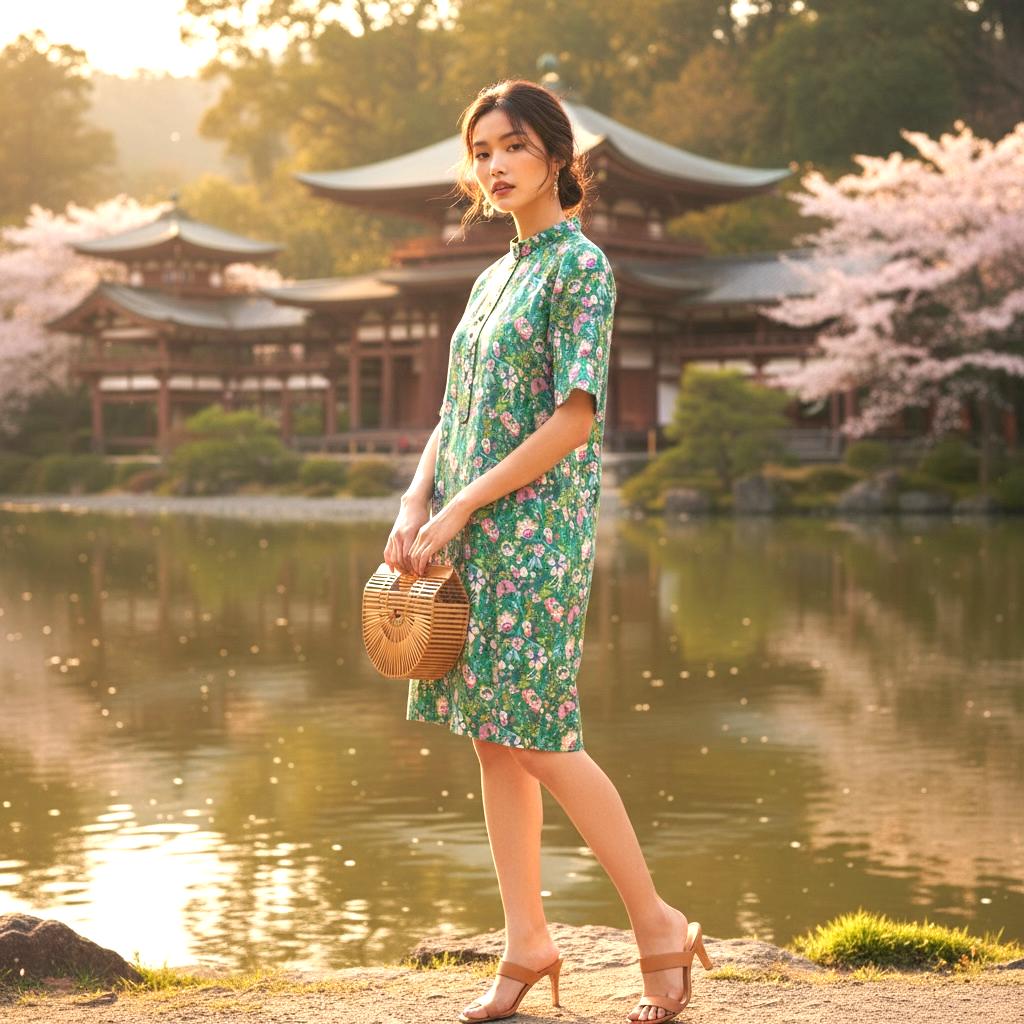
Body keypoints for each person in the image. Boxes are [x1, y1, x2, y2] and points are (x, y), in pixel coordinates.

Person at [383, 79, 712, 1024]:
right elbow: (454, 413)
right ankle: (526, 942)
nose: (494, 165)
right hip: (464, 531)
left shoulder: (582, 267)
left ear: (558, 158)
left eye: (514, 146)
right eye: (482, 150)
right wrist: (415, 499)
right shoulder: (491, 277)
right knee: (493, 737)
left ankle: (657, 923)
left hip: (535, 533)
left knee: (539, 733)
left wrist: (462, 506)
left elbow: (574, 417)